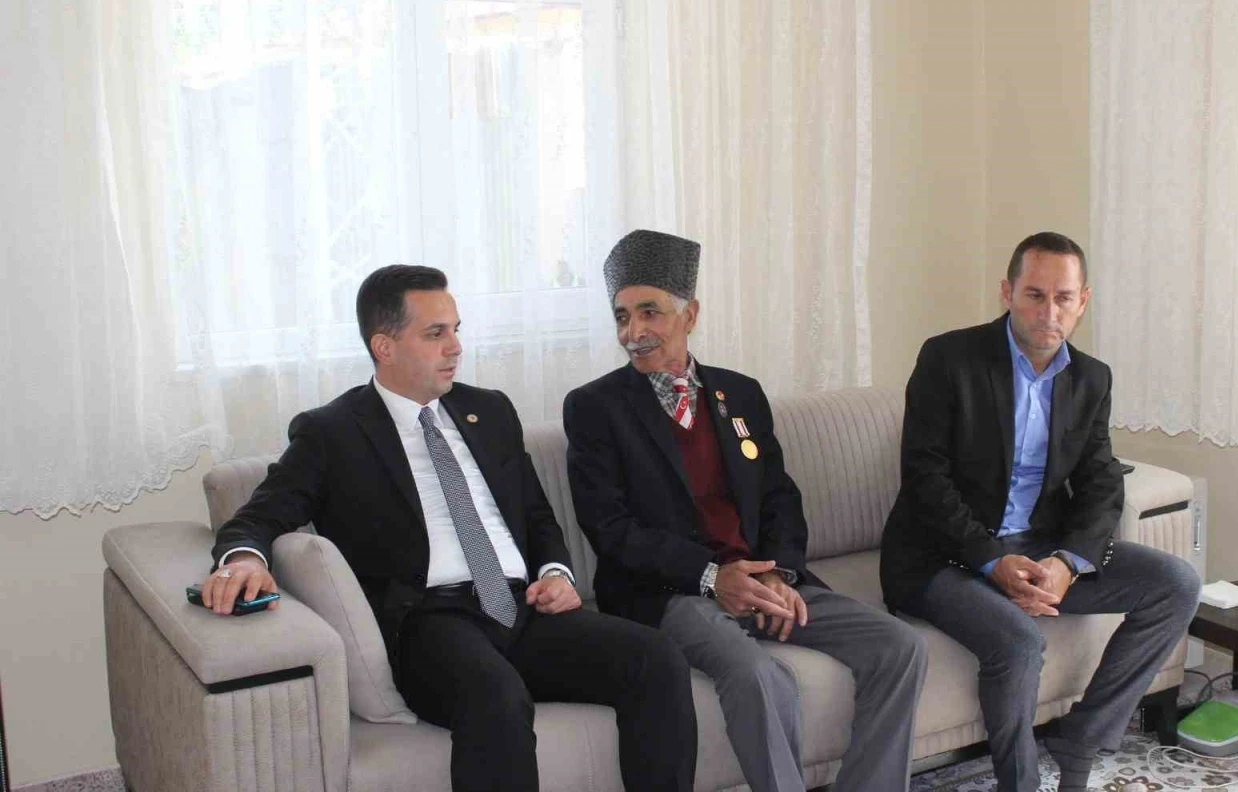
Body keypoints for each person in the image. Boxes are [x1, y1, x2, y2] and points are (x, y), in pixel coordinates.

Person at [200, 264, 697, 792]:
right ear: (384, 346)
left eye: (456, 329)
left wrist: (556, 572)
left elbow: (536, 515)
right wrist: (244, 558)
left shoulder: (490, 410)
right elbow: (259, 515)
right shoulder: (332, 432)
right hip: (430, 622)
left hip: (523, 608)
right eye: (435, 333)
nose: (455, 347)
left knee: (656, 658)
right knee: (497, 697)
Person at [563, 229, 927, 792]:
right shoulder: (594, 408)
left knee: (900, 647)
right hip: (671, 593)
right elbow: (612, 531)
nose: (633, 332)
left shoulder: (740, 394)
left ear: (690, 315)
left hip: (763, 579)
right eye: (622, 317)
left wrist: (780, 574)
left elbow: (779, 495)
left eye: (649, 312)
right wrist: (713, 577)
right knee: (758, 675)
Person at [880, 232, 1201, 792]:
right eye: (1034, 295)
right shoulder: (948, 359)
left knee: (1176, 582)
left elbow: (1102, 480)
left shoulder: (1091, 378)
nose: (1049, 313)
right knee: (1020, 640)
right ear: (1007, 292)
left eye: (1063, 298)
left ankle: (1081, 738)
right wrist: (991, 561)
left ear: (1083, 302)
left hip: (1037, 547)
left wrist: (1068, 562)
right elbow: (925, 478)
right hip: (939, 556)